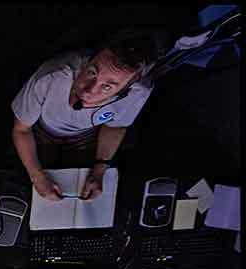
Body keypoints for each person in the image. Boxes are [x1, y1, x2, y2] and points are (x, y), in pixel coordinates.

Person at [11, 28, 160, 201]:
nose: (88, 92)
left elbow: (115, 126)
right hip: (41, 132)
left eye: (107, 87)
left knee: (85, 191)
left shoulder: (139, 92)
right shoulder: (52, 75)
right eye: (92, 72)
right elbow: (21, 130)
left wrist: (100, 169)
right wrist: (36, 176)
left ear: (125, 92)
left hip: (87, 136)